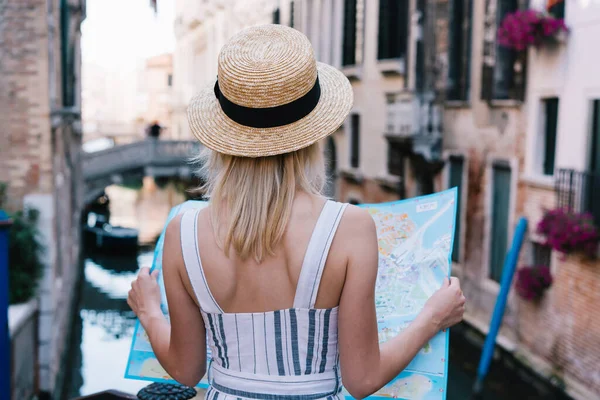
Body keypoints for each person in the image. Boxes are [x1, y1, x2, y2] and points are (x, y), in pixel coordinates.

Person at [127, 24, 465, 399]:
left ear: (223, 138)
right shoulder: (350, 229)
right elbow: (363, 378)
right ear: (313, 135)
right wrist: (433, 316)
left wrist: (148, 311)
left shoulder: (182, 231)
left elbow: (187, 370)